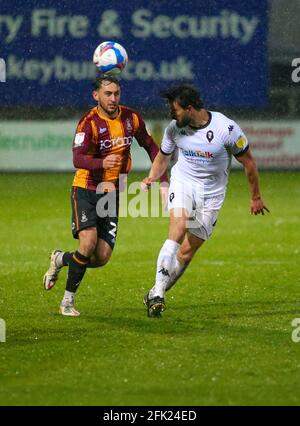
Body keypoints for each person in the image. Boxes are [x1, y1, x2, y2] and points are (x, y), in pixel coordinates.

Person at [43, 75, 168, 316]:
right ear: (96, 96)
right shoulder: (88, 123)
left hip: (113, 192)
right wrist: (101, 162)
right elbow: (77, 159)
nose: (113, 98)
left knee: (101, 257)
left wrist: (162, 179)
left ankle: (60, 259)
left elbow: (152, 147)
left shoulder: (131, 118)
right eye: (107, 94)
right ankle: (67, 302)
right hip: (87, 189)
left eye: (116, 94)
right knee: (87, 242)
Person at [142, 84, 270, 318]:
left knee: (187, 253)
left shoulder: (226, 129)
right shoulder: (174, 129)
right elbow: (163, 157)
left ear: (190, 108)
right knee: (177, 228)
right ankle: (159, 293)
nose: (172, 115)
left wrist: (256, 197)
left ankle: (152, 293)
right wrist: (152, 177)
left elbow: (249, 162)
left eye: (175, 110)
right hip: (183, 183)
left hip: (212, 195)